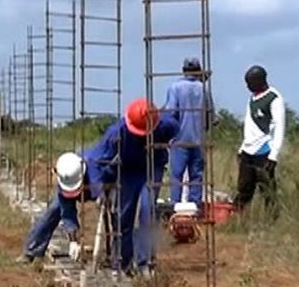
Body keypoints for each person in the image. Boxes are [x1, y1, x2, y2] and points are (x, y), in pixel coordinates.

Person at [16, 98, 178, 276]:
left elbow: (177, 132)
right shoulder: (114, 135)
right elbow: (69, 210)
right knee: (55, 209)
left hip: (148, 166)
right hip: (126, 170)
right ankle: (31, 251)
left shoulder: (165, 125)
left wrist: (104, 194)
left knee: (135, 213)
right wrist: (73, 240)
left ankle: (130, 263)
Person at [233, 65, 285, 217]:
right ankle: (236, 218)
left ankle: (272, 220)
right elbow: (249, 126)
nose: (247, 86)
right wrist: (242, 149)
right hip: (248, 150)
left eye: (250, 82)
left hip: (264, 151)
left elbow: (279, 127)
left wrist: (273, 155)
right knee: (244, 187)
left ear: (259, 80)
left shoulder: (274, 98)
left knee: (267, 189)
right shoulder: (252, 98)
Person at [163, 57, 214, 209]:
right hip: (198, 140)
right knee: (196, 177)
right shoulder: (203, 88)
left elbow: (171, 113)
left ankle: (175, 208)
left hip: (179, 139)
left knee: (176, 176)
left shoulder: (175, 87)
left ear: (183, 70)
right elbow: (210, 116)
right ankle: (195, 209)